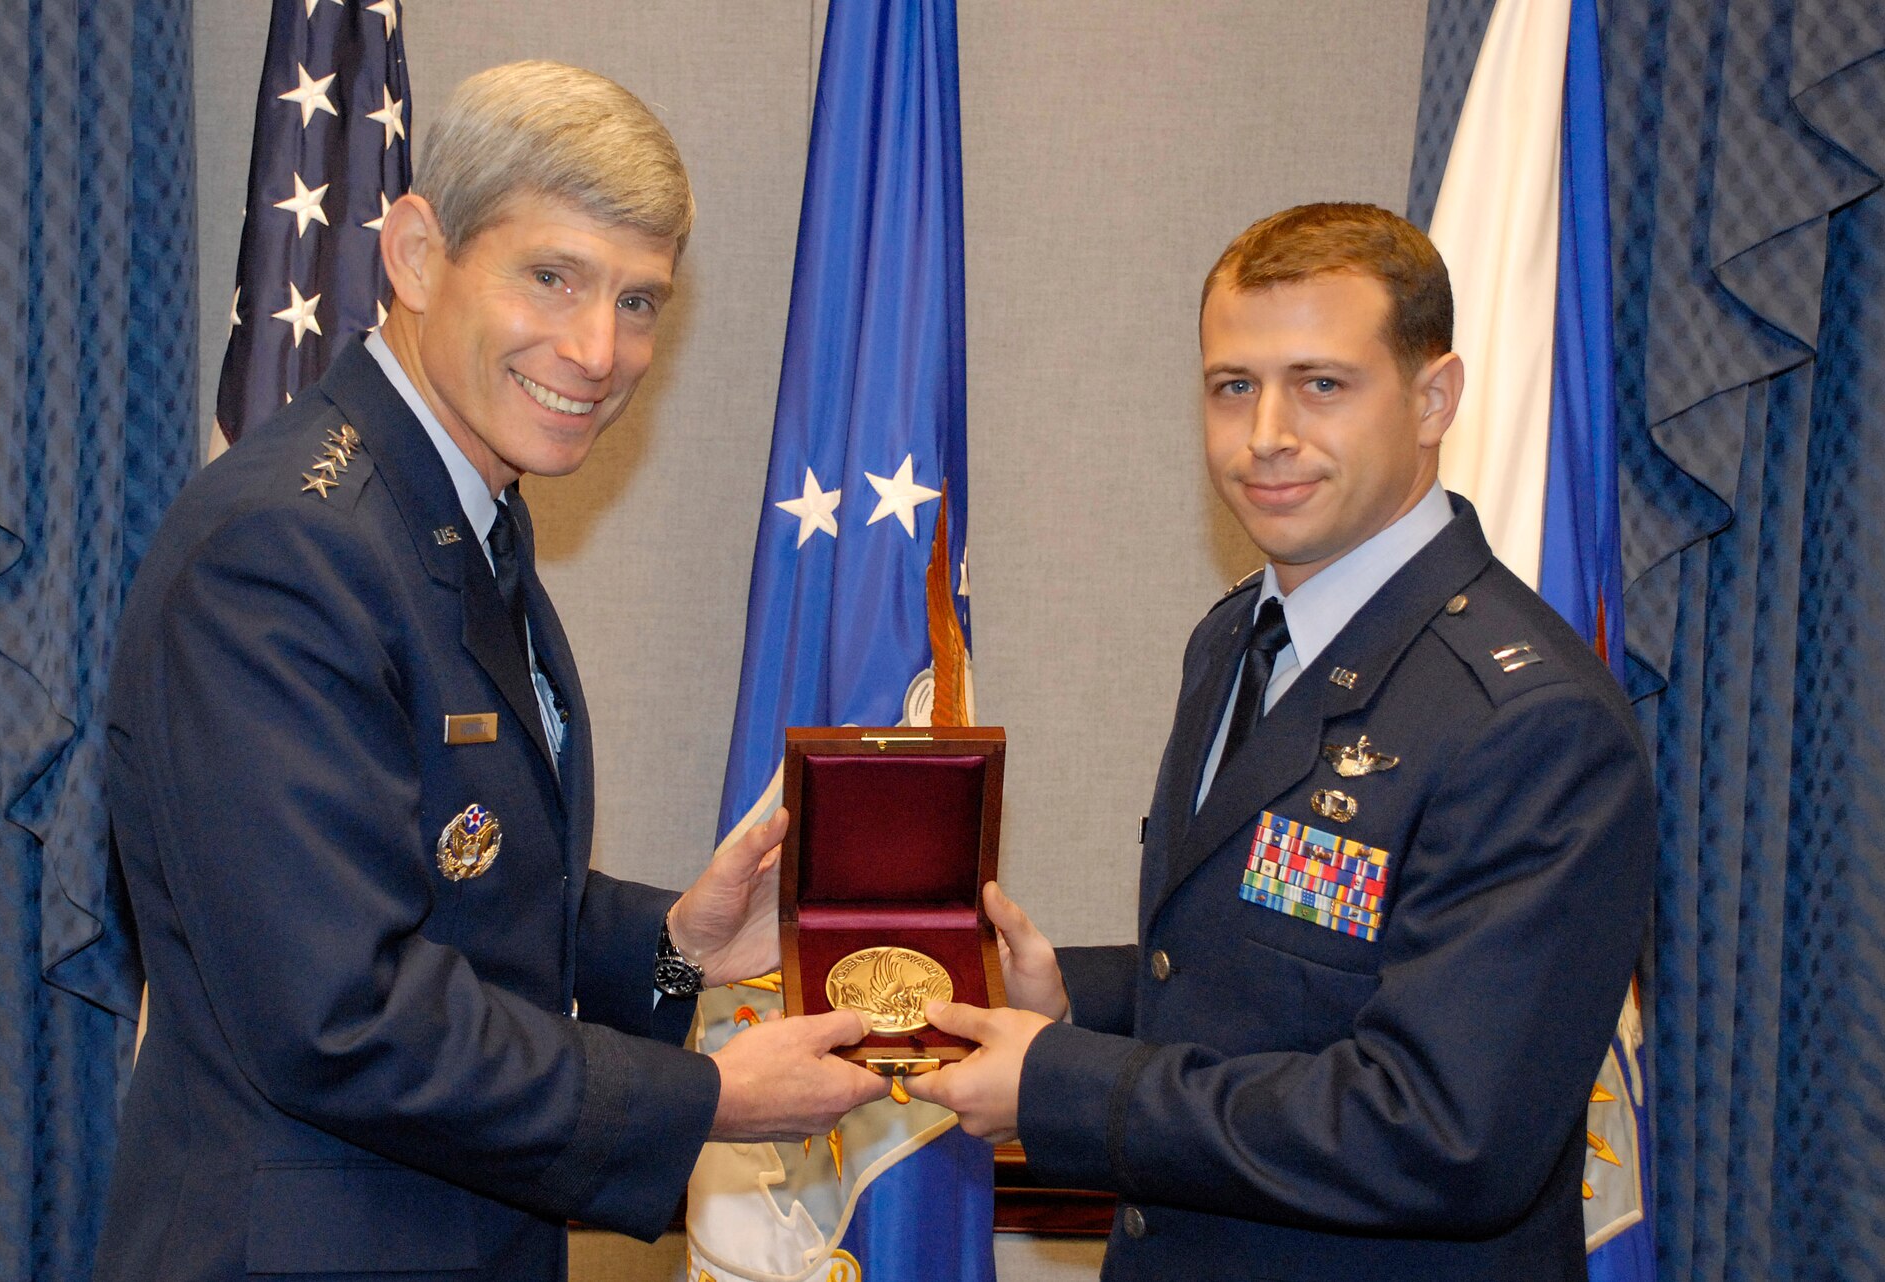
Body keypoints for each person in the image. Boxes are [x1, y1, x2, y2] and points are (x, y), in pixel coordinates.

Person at [94, 62, 886, 1282]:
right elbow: (341, 1014)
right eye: (552, 277)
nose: (597, 349)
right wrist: (700, 1099)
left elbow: (475, 898)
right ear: (415, 255)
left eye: (638, 302)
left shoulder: (458, 520)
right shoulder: (287, 547)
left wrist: (679, 944)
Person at [908, 203, 1655, 1280]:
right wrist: (1071, 1002)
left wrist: (1065, 1082)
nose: (1265, 433)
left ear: (1432, 397)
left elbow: (1440, 1134)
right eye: (1231, 386)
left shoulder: (1530, 725)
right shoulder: (1235, 636)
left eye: (1321, 384)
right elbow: (1258, 968)